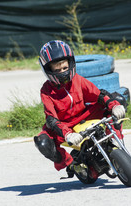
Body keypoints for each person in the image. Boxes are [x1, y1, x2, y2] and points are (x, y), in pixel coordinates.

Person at [34, 40, 126, 176]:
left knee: (116, 100)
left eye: (65, 68)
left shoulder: (77, 79)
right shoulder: (46, 91)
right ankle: (71, 164)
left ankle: (114, 142)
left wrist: (115, 106)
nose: (63, 72)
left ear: (70, 63)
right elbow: (51, 119)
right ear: (48, 70)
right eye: (57, 70)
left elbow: (99, 95)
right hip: (64, 126)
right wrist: (67, 133)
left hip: (85, 115)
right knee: (42, 142)